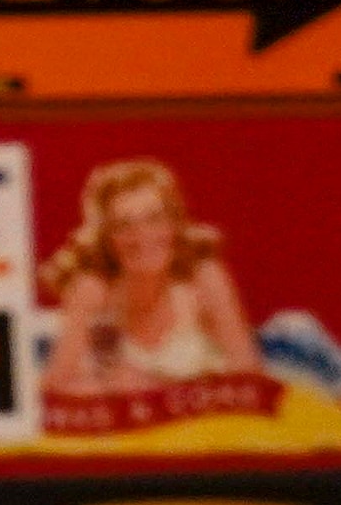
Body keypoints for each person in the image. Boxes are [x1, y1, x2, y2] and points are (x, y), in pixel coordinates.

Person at [39, 157, 260, 398]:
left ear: (175, 222)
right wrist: (108, 386)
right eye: (123, 225)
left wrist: (153, 386)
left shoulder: (204, 278)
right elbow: (52, 388)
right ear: (106, 239)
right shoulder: (92, 290)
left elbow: (251, 378)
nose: (142, 235)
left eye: (155, 218)